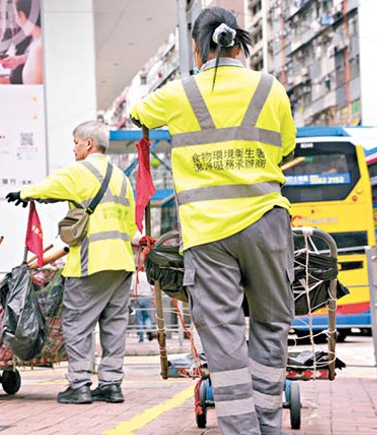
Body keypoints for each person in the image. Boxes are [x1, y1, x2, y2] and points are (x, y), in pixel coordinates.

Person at [130, 6, 296, 434]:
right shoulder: (270, 88)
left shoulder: (180, 93)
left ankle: (242, 430)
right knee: (272, 322)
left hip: (207, 234)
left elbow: (139, 113)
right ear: (240, 42)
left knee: (222, 335)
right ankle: (267, 424)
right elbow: (285, 149)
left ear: (197, 49)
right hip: (266, 222)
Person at [6, 121, 137, 404]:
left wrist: (24, 193)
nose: (74, 147)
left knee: (77, 323)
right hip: (122, 262)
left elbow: (52, 185)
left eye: (76, 141)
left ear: (89, 144)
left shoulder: (82, 170)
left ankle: (79, 384)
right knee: (114, 325)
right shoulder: (122, 177)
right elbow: (130, 225)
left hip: (92, 262)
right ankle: (111, 384)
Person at [0, 0, 43, 84]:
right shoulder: (35, 44)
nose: (17, 24)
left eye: (16, 16)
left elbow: (37, 94)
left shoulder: (40, 47)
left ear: (22, 15)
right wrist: (21, 59)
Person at [131, 271, 154, 343]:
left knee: (139, 318)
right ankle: (149, 329)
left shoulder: (134, 276)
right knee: (147, 316)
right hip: (147, 297)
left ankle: (141, 337)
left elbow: (131, 290)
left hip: (137, 297)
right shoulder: (148, 275)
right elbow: (153, 288)